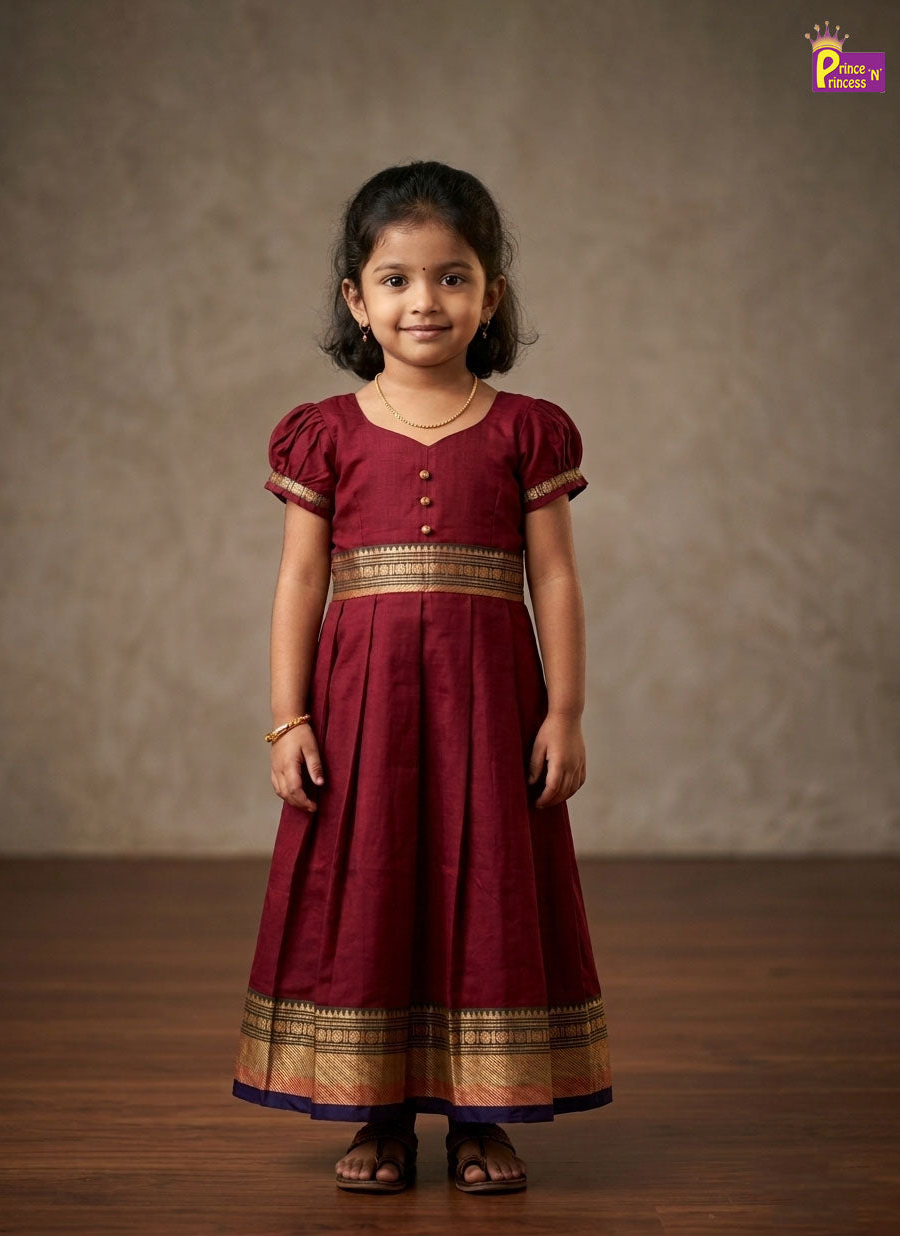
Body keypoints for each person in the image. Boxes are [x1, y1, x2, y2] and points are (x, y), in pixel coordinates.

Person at [233, 159, 612, 1194]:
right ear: (356, 300)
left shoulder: (526, 428)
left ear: (490, 296)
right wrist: (286, 720)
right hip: (361, 716)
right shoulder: (326, 434)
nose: (425, 301)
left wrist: (565, 711)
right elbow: (298, 581)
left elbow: (558, 577)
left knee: (488, 889)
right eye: (395, 279)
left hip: (491, 712)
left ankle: (486, 1121)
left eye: (452, 278)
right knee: (374, 889)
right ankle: (380, 1114)